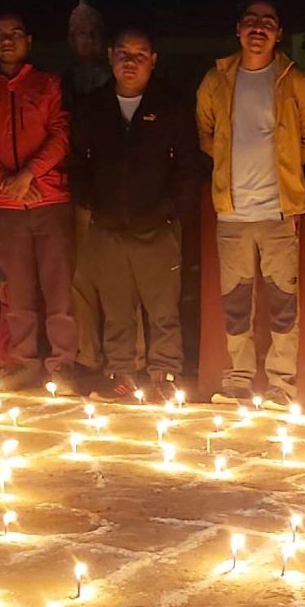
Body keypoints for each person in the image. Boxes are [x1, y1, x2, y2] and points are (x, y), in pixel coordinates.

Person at [195, 0, 305, 409]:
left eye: (268, 22)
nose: (258, 28)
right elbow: (205, 134)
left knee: (284, 301)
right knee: (235, 302)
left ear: (279, 33)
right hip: (230, 212)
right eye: (250, 20)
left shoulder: (296, 79)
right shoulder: (216, 80)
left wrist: (282, 170)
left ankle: (281, 386)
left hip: (278, 211)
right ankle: (237, 380)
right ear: (238, 28)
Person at [70, 24, 201, 401]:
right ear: (111, 55)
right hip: (107, 226)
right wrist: (91, 201)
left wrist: (168, 208)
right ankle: (122, 373)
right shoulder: (93, 106)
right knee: (116, 309)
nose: (131, 62)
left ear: (153, 61)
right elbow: (77, 163)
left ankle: (165, 376)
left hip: (157, 226)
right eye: (124, 54)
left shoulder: (170, 105)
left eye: (140, 55)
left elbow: (189, 167)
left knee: (162, 308)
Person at [0, 9, 75, 392]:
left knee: (59, 289)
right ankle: (25, 362)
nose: (7, 40)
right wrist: (4, 181)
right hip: (7, 207)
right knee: (19, 291)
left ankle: (62, 364)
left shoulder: (48, 85)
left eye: (15, 33)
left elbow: (61, 135)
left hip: (50, 200)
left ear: (28, 40)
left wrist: (27, 175)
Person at [64, 0, 112, 384]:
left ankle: (123, 360)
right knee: (82, 278)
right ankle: (87, 357)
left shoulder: (117, 84)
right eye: (81, 33)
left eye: (94, 33)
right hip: (79, 190)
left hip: (118, 194)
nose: (88, 40)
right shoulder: (63, 85)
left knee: (120, 280)